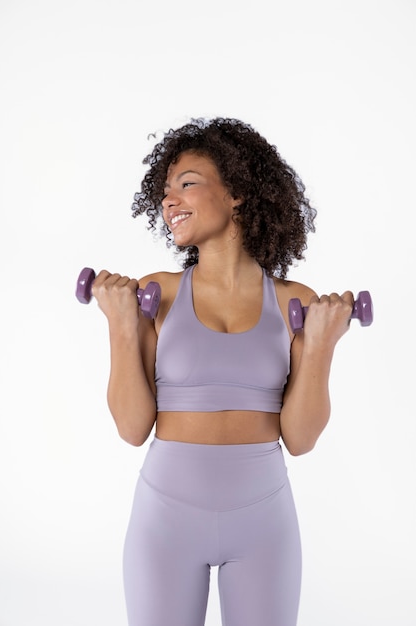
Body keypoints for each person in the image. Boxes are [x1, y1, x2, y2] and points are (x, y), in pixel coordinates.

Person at [91, 117, 354, 626]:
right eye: (165, 190)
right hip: (165, 519)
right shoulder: (154, 295)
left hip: (263, 521)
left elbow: (298, 440)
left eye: (187, 182)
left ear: (236, 193)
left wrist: (320, 344)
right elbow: (131, 429)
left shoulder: (294, 302)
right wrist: (121, 325)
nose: (170, 200)